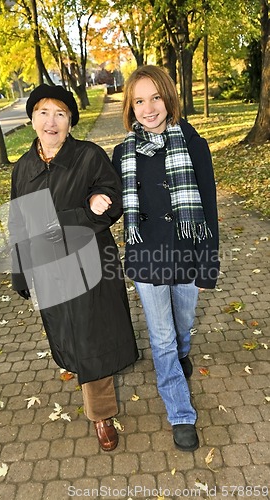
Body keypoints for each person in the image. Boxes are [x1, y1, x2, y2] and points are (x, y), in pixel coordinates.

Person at [9, 84, 139, 452]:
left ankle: (101, 414)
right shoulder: (23, 169)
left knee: (91, 335)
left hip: (90, 263)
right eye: (44, 113)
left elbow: (113, 200)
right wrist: (21, 274)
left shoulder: (89, 156)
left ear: (70, 121)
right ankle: (79, 372)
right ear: (32, 119)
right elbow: (20, 223)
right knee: (67, 333)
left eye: (61, 114)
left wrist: (98, 201)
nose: (52, 121)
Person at [112, 65, 219, 452]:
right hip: (146, 257)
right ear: (130, 107)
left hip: (188, 253)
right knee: (160, 336)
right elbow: (110, 203)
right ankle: (180, 413)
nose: (148, 108)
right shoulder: (122, 151)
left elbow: (207, 206)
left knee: (183, 325)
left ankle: (181, 353)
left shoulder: (193, 143)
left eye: (155, 97)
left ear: (168, 98)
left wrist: (209, 264)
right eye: (139, 100)